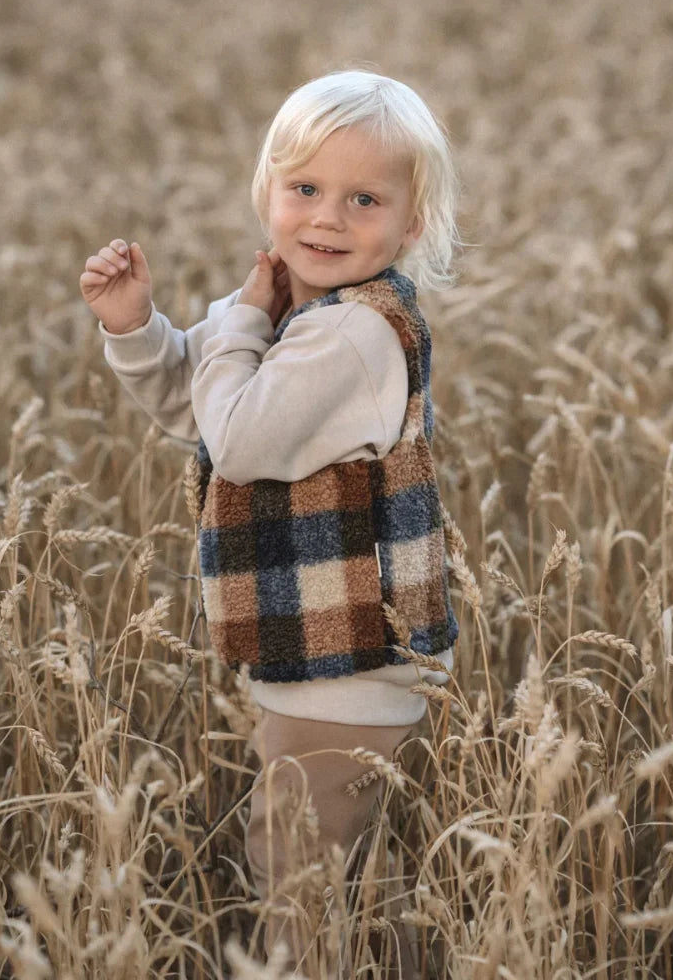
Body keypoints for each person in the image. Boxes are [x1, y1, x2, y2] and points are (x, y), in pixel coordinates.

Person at [80, 69, 461, 977]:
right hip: (322, 653)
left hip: (348, 662)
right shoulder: (307, 309)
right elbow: (204, 408)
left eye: (364, 199)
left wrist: (246, 320)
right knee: (345, 873)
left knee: (292, 871)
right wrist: (139, 332)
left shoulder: (351, 333)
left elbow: (241, 436)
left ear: (410, 225)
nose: (327, 218)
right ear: (268, 193)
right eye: (306, 190)